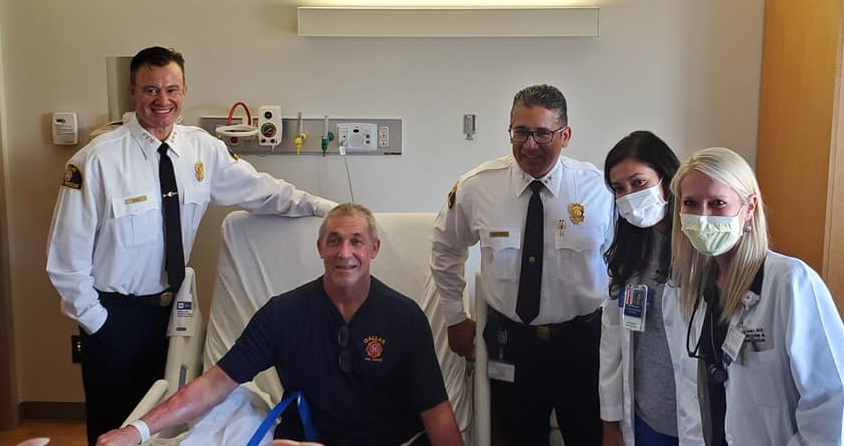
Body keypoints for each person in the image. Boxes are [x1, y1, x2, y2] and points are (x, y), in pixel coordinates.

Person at [46, 46, 337, 445]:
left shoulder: (202, 150)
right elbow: (65, 260)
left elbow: (262, 191)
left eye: (172, 89)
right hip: (115, 316)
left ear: (185, 90)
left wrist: (327, 209)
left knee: (168, 424)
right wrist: (100, 324)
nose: (162, 101)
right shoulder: (95, 161)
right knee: (115, 427)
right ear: (133, 91)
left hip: (174, 315)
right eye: (150, 90)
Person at [96, 203, 464, 446]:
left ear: (374, 249)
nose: (345, 253)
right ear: (320, 248)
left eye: (356, 242)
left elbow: (437, 411)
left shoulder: (405, 318)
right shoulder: (283, 315)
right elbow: (214, 384)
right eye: (333, 241)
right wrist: (137, 430)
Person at [431, 84, 614, 444]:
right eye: (520, 132)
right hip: (511, 343)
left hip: (584, 343)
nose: (529, 145)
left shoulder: (597, 189)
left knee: (588, 436)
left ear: (566, 135)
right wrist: (454, 317)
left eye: (543, 133)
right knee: (517, 438)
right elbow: (445, 249)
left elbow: (623, 262)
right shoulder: (477, 187)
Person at [671, 147, 844, 445]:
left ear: (749, 209)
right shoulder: (696, 288)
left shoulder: (790, 283)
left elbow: (832, 405)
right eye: (691, 203)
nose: (702, 217)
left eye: (718, 203)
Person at [598, 131, 701, 446]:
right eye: (618, 188)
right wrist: (610, 422)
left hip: (696, 416)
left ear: (667, 178)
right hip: (645, 416)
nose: (628, 195)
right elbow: (613, 341)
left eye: (638, 183)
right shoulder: (631, 251)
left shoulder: (701, 248)